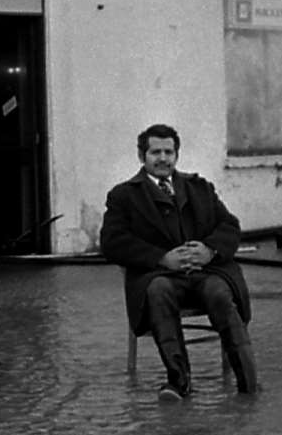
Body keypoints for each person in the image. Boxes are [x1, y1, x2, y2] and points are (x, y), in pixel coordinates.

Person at [100, 123, 257, 399]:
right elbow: (112, 242)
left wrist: (209, 251)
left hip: (205, 272)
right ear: (142, 156)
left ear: (177, 155)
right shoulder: (124, 196)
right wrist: (161, 258)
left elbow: (230, 226)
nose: (163, 159)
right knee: (159, 293)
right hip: (158, 276)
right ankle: (178, 381)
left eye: (168, 152)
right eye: (155, 152)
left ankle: (248, 382)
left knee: (220, 293)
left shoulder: (200, 188)